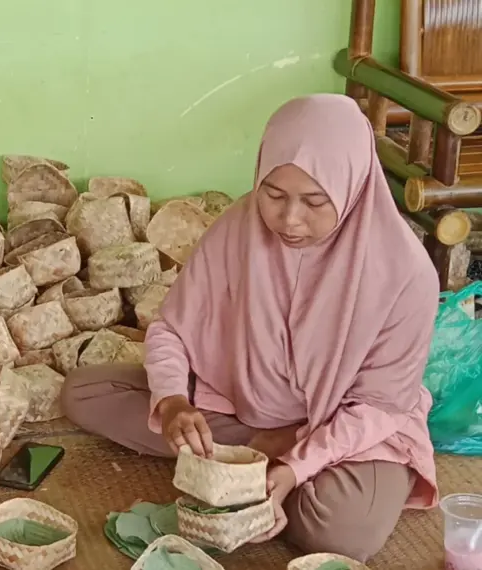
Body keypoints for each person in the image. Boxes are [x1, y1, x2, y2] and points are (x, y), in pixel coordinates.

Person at [61, 94, 439, 562]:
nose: (288, 219)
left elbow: (381, 406)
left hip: (347, 429)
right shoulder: (239, 227)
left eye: (315, 201)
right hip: (243, 413)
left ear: (354, 186)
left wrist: (295, 467)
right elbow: (172, 330)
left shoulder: (405, 273)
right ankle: (253, 458)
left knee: (342, 534)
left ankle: (257, 473)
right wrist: (175, 402)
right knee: (85, 393)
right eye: (273, 194)